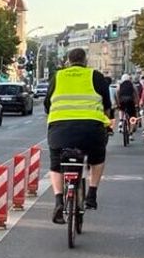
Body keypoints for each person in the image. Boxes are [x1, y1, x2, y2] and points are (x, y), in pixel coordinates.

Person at [44, 48, 114, 224]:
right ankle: (91, 194)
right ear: (85, 60)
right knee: (97, 158)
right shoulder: (96, 76)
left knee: (55, 163)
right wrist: (107, 124)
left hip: (59, 130)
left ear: (68, 61)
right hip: (91, 129)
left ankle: (59, 201)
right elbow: (107, 106)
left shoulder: (58, 76)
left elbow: (47, 104)